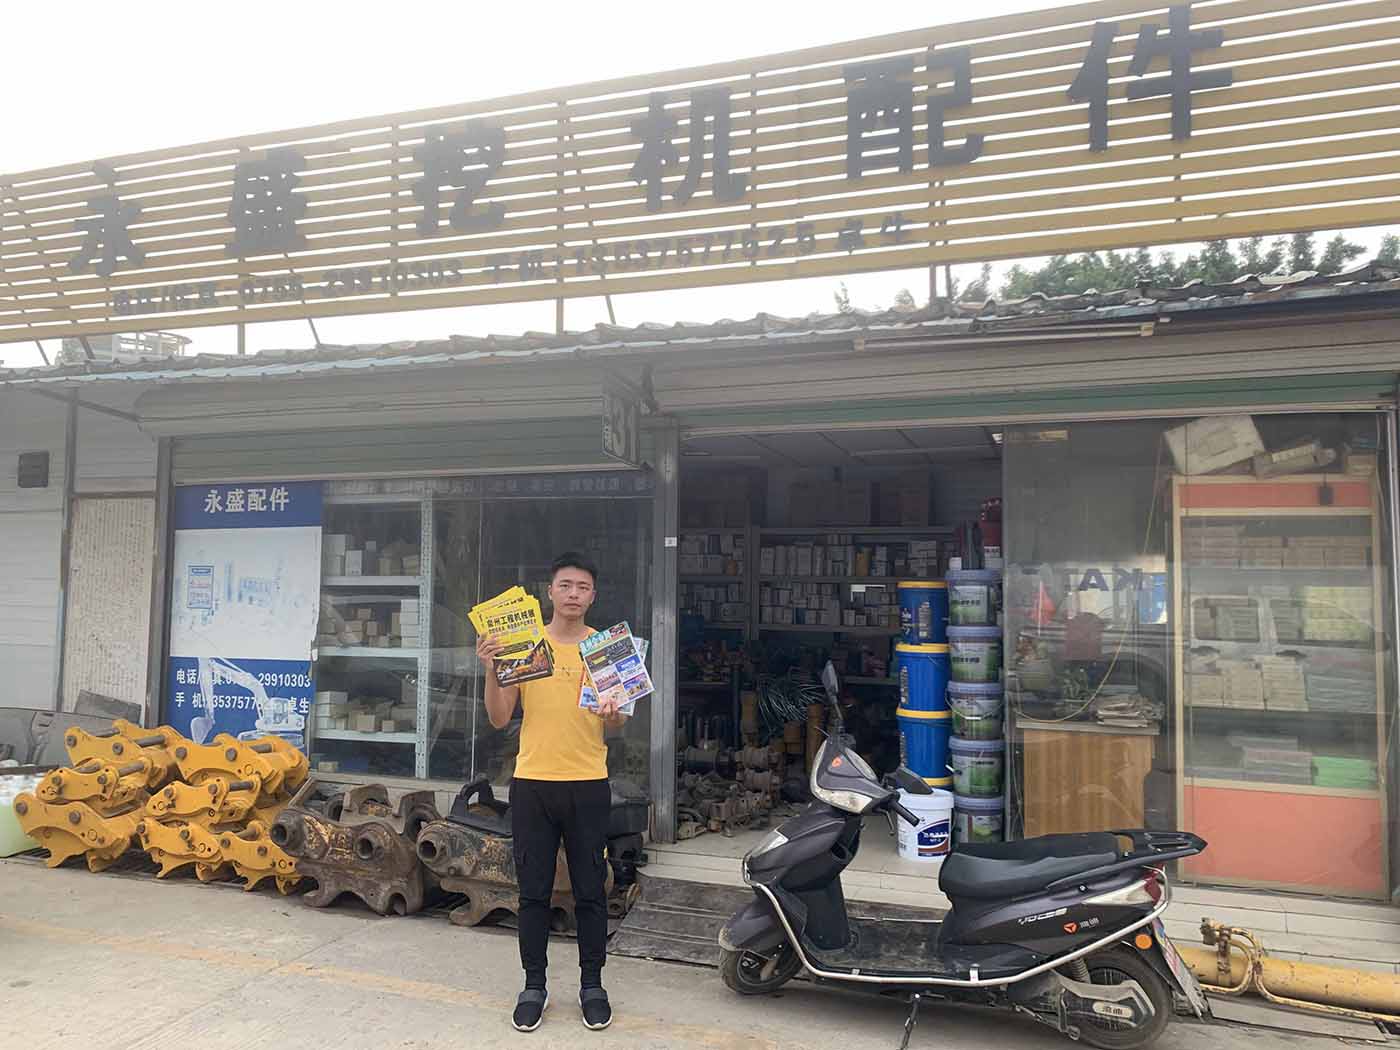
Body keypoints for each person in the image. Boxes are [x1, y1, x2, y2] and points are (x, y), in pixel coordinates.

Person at [477, 552, 627, 1033]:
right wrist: (491, 668)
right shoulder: (526, 644)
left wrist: (613, 713)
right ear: (550, 591)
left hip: (588, 783)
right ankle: (533, 986)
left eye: (582, 587)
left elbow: (620, 721)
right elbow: (499, 717)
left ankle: (592, 986)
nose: (573, 594)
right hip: (533, 784)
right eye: (565, 585)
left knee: (591, 891)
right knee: (533, 893)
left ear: (593, 596)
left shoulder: (605, 648)